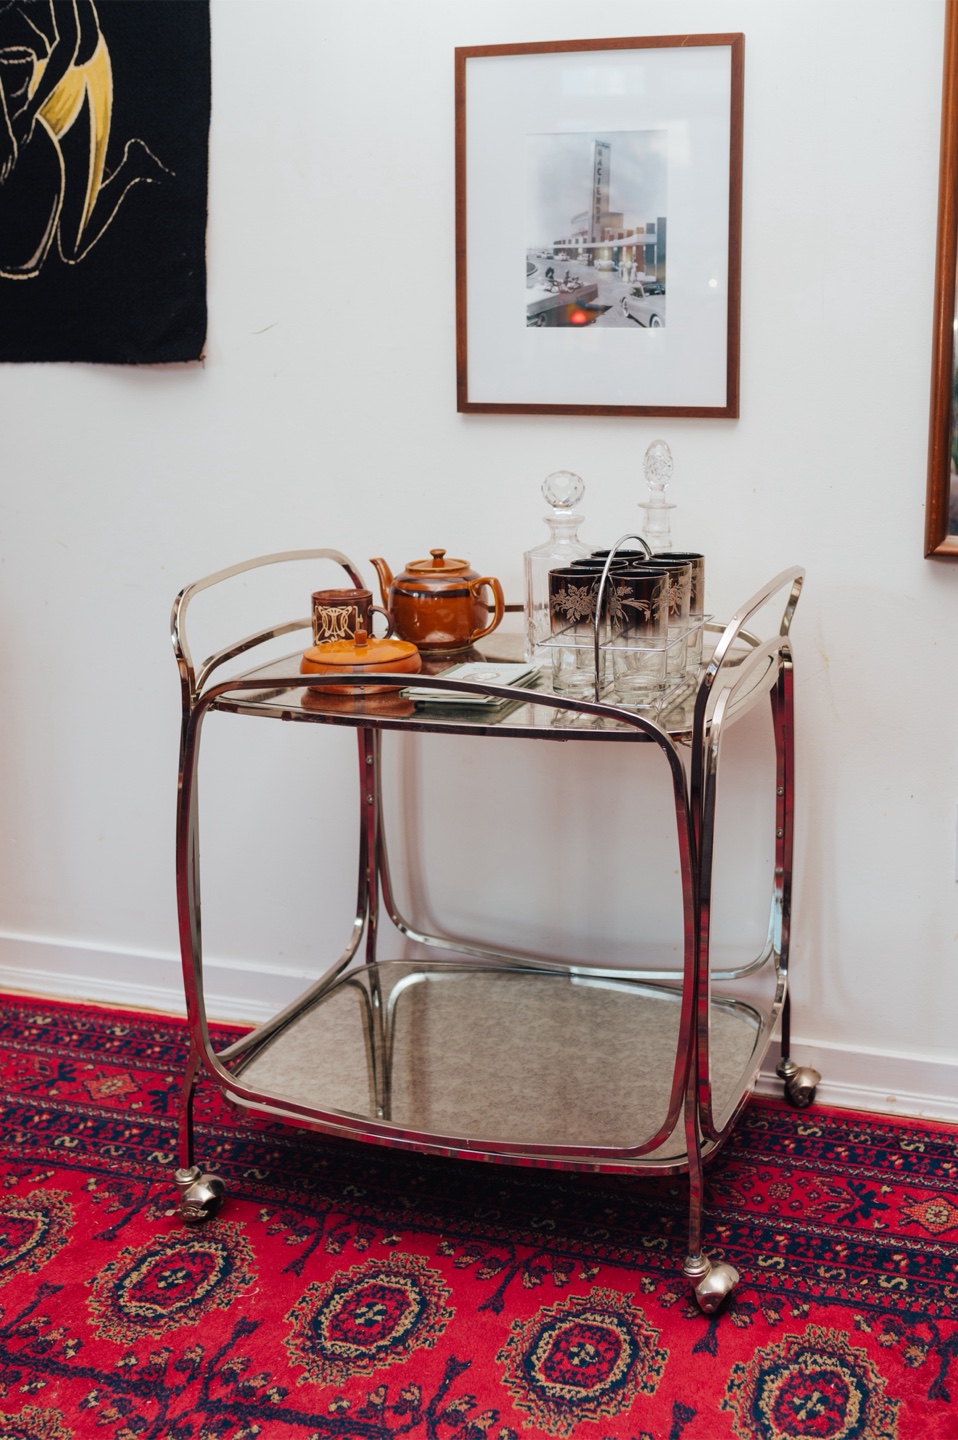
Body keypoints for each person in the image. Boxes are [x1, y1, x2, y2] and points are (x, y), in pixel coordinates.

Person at [0, 0, 168, 279]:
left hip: (75, 75)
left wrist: (29, 112)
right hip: (25, 76)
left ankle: (131, 166)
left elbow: (70, 43)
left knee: (72, 247)